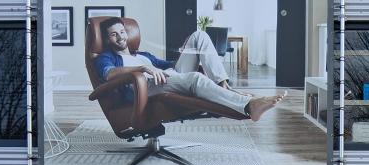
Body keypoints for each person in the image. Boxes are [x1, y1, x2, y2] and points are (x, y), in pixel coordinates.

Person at [95, 18, 283, 122]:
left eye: (122, 32)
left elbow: (169, 64)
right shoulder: (106, 57)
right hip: (145, 88)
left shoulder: (143, 54)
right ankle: (249, 105)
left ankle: (223, 85)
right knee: (195, 79)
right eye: (113, 34)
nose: (120, 37)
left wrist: (188, 51)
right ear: (107, 40)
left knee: (199, 36)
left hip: (169, 77)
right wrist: (143, 68)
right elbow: (109, 74)